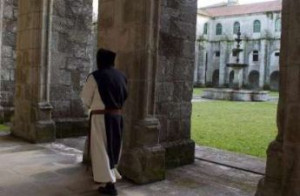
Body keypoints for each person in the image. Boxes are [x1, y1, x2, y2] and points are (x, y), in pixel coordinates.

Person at [80, 48, 128, 195]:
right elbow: (125, 95)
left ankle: (110, 185)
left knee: (101, 150)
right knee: (113, 148)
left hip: (100, 117)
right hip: (117, 117)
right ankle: (110, 181)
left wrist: (91, 107)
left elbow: (85, 99)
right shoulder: (121, 76)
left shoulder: (95, 76)